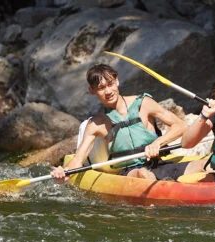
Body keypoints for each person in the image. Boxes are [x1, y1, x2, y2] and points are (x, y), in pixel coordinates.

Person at [51, 63, 205, 182]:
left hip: (158, 164)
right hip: (130, 173)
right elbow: (78, 160)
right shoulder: (96, 124)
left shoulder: (144, 103)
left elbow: (181, 126)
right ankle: (164, 191)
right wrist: (63, 173)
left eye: (110, 84)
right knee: (142, 174)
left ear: (117, 81)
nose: (108, 91)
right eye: (101, 88)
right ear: (92, 91)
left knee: (205, 165)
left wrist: (158, 142)